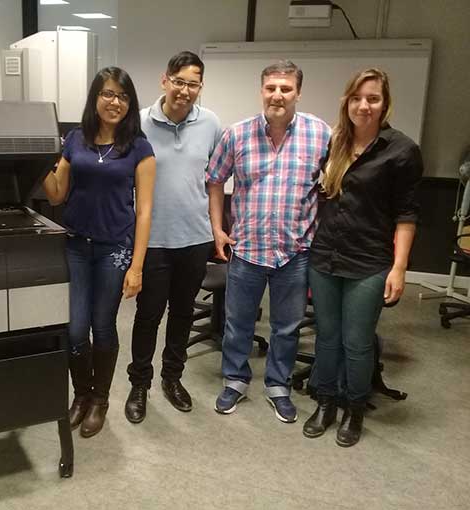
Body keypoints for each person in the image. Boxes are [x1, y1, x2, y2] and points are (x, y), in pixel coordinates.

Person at [303, 68, 422, 447]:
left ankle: (354, 408)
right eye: (357, 98)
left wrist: (399, 267)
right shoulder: (335, 142)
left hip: (369, 263)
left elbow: (407, 214)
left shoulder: (401, 150)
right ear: (347, 102)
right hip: (325, 257)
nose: (364, 106)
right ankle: (325, 401)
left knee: (356, 342)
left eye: (372, 99)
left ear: (385, 104)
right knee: (327, 337)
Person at [206, 60, 331, 422]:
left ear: (298, 93)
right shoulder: (237, 134)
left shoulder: (319, 133)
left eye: (286, 88)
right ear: (262, 90)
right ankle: (235, 379)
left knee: (287, 327)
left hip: (295, 252)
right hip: (247, 249)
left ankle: (278, 385)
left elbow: (336, 179)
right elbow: (215, 179)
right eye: (271, 88)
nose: (278, 95)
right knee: (238, 323)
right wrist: (217, 227)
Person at [42, 67, 156, 438]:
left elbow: (145, 211)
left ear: (130, 103)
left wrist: (137, 266)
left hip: (114, 249)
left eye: (122, 96)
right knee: (76, 330)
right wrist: (41, 156)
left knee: (102, 326)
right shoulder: (75, 140)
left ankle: (100, 400)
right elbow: (56, 194)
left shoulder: (139, 146)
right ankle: (82, 395)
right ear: (95, 98)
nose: (115, 102)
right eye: (108, 94)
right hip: (76, 244)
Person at [124, 51, 222, 423]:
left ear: (200, 87)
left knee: (182, 313)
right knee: (148, 315)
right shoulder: (139, 123)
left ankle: (172, 378)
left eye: (192, 83)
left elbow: (214, 181)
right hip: (152, 240)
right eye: (178, 81)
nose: (184, 90)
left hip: (194, 239)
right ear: (165, 80)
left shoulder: (211, 123)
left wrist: (216, 228)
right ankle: (139, 384)